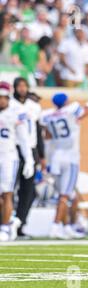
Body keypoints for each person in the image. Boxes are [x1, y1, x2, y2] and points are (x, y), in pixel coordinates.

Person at [40, 75, 88, 239]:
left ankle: (65, 226)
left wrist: (47, 159)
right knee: (65, 196)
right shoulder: (71, 111)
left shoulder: (48, 115)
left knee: (67, 195)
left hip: (56, 157)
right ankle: (56, 225)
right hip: (70, 157)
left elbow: (47, 137)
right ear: (65, 102)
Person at [10, 77, 44, 237]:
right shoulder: (10, 105)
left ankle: (20, 224)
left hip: (31, 150)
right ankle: (6, 223)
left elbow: (38, 131)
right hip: (14, 149)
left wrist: (41, 155)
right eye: (19, 86)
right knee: (8, 189)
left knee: (29, 191)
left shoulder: (34, 106)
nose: (22, 89)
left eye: (24, 86)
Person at [0, 82, 34, 241]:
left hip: (8, 156)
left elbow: (24, 138)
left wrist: (29, 159)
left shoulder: (16, 111)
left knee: (8, 193)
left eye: (3, 97)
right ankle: (8, 221)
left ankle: (5, 227)